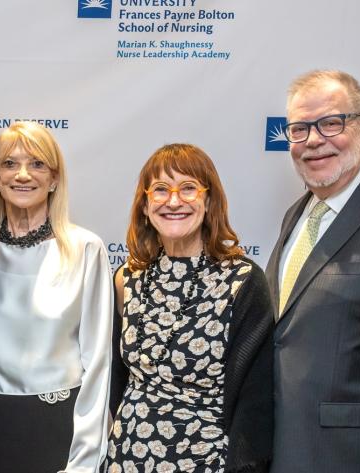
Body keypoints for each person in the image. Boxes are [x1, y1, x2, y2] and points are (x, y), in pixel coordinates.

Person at [108, 144, 273, 473]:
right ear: (144, 205)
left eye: (188, 188)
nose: (173, 201)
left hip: (204, 462)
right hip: (125, 459)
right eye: (160, 190)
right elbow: (117, 380)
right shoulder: (127, 278)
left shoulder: (241, 280)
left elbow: (256, 400)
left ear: (209, 200)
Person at [0, 121, 112, 472]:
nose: (23, 175)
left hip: (57, 429)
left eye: (37, 164)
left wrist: (86, 459)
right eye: (10, 164)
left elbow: (98, 361)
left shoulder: (85, 249)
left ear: (55, 178)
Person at [266, 70, 360, 473]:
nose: (313, 140)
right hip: (282, 447)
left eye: (332, 123)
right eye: (299, 129)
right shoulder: (296, 214)